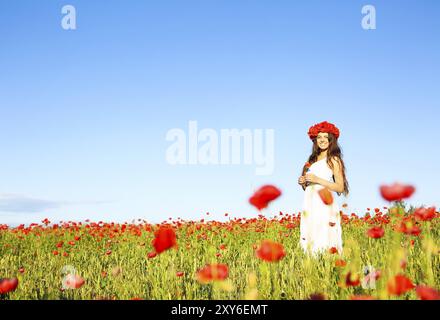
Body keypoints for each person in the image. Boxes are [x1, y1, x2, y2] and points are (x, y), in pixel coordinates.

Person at [298, 121, 349, 255]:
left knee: (324, 233)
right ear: (315, 140)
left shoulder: (334, 159)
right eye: (319, 137)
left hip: (324, 201)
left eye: (326, 137)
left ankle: (329, 265)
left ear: (331, 140)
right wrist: (304, 182)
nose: (322, 140)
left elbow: (339, 187)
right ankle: (312, 266)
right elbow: (308, 187)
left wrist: (317, 180)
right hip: (310, 201)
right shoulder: (312, 160)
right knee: (310, 232)